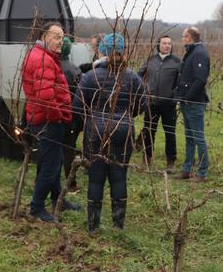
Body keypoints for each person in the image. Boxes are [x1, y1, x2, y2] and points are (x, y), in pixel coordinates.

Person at [73, 33, 147, 232]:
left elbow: (78, 107)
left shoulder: (90, 76)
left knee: (96, 177)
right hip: (124, 130)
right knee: (119, 175)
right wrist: (125, 116)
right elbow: (142, 105)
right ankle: (118, 225)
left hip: (95, 130)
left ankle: (93, 226)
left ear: (101, 51)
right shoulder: (133, 77)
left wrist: (91, 119)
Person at [21, 22, 79, 222]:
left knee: (54, 162)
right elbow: (45, 97)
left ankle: (58, 200)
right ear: (45, 36)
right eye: (56, 37)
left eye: (62, 38)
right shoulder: (42, 60)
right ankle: (36, 207)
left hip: (45, 119)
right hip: (47, 121)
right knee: (50, 166)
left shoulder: (42, 56)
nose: (60, 42)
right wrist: (59, 118)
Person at [138, 35, 181, 172]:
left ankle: (171, 162)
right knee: (149, 131)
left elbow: (181, 82)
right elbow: (139, 75)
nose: (167, 45)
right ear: (159, 45)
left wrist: (174, 96)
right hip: (151, 103)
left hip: (169, 104)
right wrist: (144, 90)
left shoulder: (177, 62)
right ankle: (146, 160)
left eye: (169, 43)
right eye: (164, 43)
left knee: (170, 133)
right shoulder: (151, 60)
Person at [174, 27, 211, 182]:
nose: (182, 39)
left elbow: (200, 79)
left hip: (194, 103)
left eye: (183, 36)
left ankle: (202, 172)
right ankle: (186, 169)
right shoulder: (191, 52)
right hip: (186, 101)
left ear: (189, 37)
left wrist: (188, 97)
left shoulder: (199, 53)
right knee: (189, 138)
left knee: (198, 138)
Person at [59, 36, 83, 193]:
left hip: (52, 113)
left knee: (47, 147)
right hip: (70, 116)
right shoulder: (75, 70)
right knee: (69, 149)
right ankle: (71, 184)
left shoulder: (49, 66)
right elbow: (79, 97)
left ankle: (39, 179)